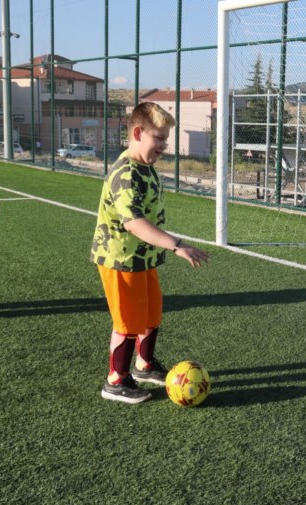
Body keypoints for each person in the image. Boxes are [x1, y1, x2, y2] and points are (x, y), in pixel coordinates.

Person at [91, 102, 210, 404]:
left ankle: (144, 365)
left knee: (151, 313)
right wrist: (177, 244)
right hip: (121, 260)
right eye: (158, 138)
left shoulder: (146, 167)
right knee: (128, 321)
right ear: (137, 132)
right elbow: (134, 223)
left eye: (166, 140)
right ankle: (115, 381)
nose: (163, 146)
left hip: (142, 259)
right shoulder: (126, 174)